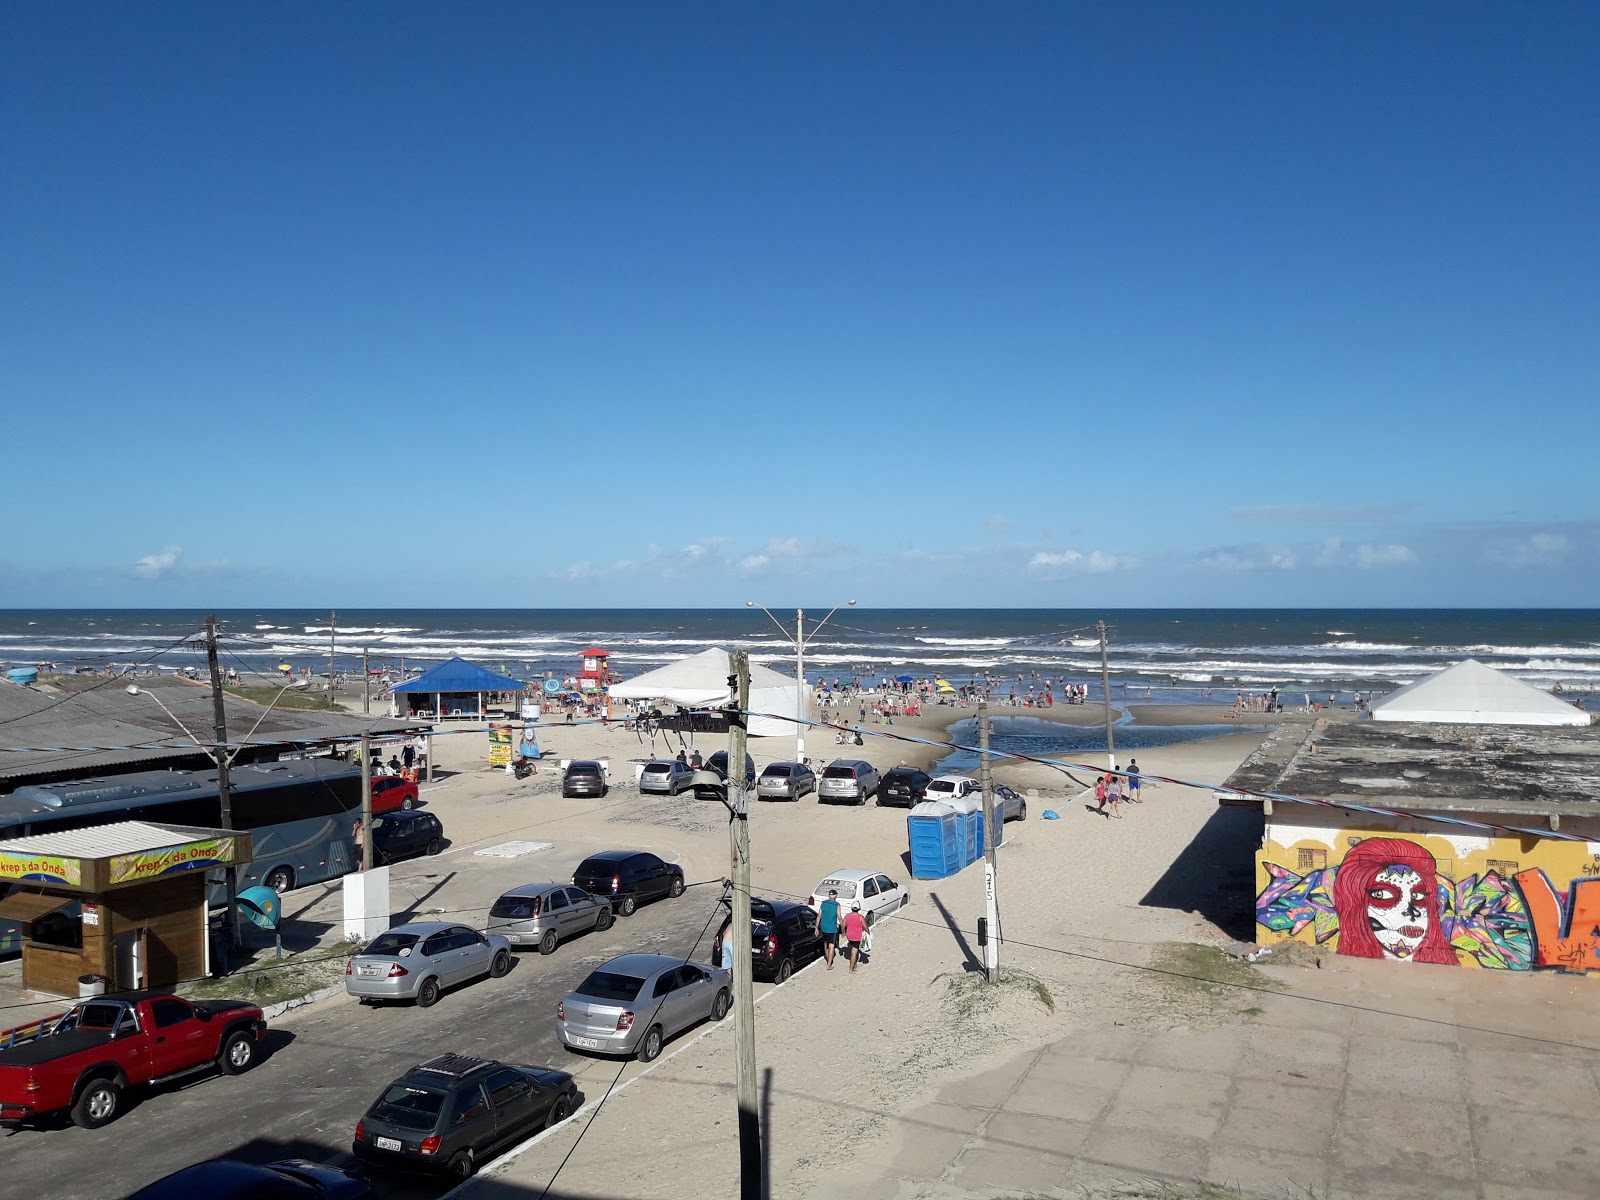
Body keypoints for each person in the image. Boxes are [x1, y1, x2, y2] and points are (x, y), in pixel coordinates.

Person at [816, 889, 842, 970]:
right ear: (835, 896)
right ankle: (829, 964)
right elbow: (839, 917)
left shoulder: (823, 903)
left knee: (825, 943)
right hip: (832, 928)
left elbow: (819, 916)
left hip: (823, 927)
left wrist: (816, 927)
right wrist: (843, 927)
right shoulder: (837, 905)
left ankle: (828, 959)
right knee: (831, 945)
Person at [843, 904, 867, 973]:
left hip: (849, 936)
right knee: (854, 951)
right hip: (857, 936)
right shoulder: (860, 917)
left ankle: (854, 963)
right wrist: (868, 932)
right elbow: (865, 926)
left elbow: (843, 925)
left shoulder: (847, 916)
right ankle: (851, 969)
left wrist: (843, 932)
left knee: (853, 948)